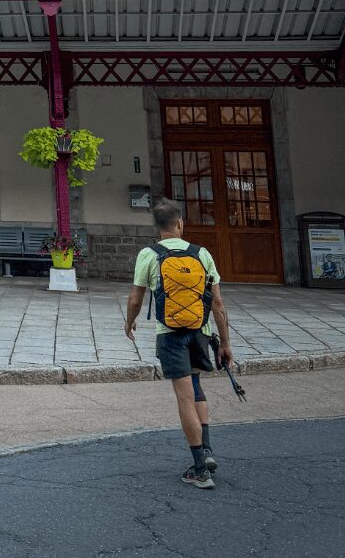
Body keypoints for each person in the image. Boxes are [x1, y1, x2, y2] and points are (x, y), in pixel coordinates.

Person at [125, 199, 233, 490]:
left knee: (184, 397)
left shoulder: (148, 255)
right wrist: (225, 343)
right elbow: (218, 304)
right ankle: (207, 450)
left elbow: (136, 298)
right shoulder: (202, 254)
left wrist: (129, 322)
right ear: (180, 223)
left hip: (170, 333)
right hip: (200, 330)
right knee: (196, 388)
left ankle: (200, 468)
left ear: (157, 227)